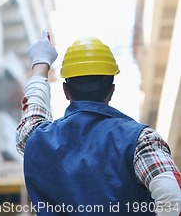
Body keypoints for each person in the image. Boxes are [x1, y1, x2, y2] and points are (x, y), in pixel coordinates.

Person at [16, 35, 181, 215]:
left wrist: (40, 63)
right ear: (111, 90)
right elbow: (173, 197)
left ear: (65, 91)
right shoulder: (141, 140)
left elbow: (30, 121)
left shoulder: (39, 141)